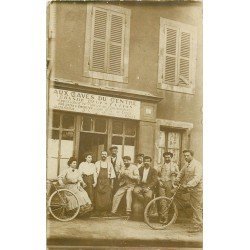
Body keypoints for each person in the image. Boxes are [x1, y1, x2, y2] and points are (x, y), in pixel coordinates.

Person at [175, 150, 203, 233]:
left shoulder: (197, 164)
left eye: (187, 155)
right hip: (189, 187)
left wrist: (188, 185)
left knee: (196, 207)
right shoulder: (186, 164)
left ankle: (198, 225)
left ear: (192, 155)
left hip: (196, 188)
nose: (186, 157)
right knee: (175, 192)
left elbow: (197, 178)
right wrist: (177, 179)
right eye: (185, 156)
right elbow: (181, 173)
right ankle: (186, 206)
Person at [158, 152, 179, 223]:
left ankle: (168, 218)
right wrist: (159, 181)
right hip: (162, 184)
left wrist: (175, 173)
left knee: (168, 201)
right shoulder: (161, 165)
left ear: (171, 157)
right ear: (164, 158)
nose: (167, 159)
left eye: (168, 157)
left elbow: (179, 174)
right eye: (165, 157)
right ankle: (164, 217)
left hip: (170, 183)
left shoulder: (175, 165)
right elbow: (157, 175)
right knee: (162, 200)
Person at [94, 151, 116, 216]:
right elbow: (95, 174)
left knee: (106, 197)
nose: (104, 155)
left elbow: (112, 175)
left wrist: (111, 184)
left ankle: (104, 211)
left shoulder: (109, 164)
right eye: (102, 154)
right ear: (100, 155)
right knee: (98, 197)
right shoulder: (97, 163)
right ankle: (98, 211)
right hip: (99, 182)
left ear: (107, 156)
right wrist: (95, 182)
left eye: (105, 154)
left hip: (107, 182)